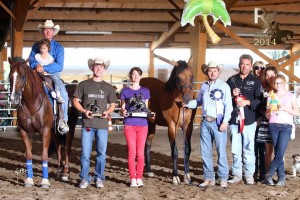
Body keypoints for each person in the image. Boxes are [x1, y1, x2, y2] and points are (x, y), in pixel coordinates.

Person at [184, 61, 233, 188]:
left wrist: (225, 121)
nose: (212, 73)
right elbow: (198, 101)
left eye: (215, 71)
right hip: (205, 122)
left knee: (221, 151)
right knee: (205, 152)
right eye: (210, 71)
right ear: (207, 72)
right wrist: (188, 104)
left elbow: (228, 106)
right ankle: (208, 177)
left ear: (218, 72)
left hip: (218, 122)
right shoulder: (204, 86)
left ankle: (223, 178)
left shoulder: (224, 86)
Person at [73, 57, 116, 189]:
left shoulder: (108, 87)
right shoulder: (83, 84)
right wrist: (84, 111)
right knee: (85, 153)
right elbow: (75, 101)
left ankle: (99, 177)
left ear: (104, 69)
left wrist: (107, 112)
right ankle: (84, 178)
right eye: (96, 66)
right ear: (92, 68)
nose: (98, 69)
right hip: (88, 124)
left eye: (101, 67)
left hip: (102, 125)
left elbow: (113, 105)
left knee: (101, 154)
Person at [227, 54, 263, 185]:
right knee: (235, 149)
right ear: (239, 65)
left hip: (249, 120)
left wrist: (247, 102)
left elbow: (260, 100)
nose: (244, 66)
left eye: (247, 64)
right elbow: (224, 100)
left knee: (248, 149)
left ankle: (249, 175)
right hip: (233, 120)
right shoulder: (231, 80)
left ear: (251, 66)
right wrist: (231, 95)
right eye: (242, 64)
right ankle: (237, 174)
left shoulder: (256, 81)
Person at [29, 20, 69, 133]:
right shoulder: (36, 46)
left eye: (50, 30)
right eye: (46, 30)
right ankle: (25, 116)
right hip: (37, 73)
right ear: (43, 31)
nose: (48, 32)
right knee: (24, 87)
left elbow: (59, 66)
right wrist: (36, 65)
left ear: (53, 32)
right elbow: (31, 59)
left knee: (64, 93)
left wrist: (44, 68)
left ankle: (63, 120)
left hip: (53, 74)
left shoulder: (59, 48)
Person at [120, 67, 154, 187]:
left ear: (140, 76)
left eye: (137, 74)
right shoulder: (125, 91)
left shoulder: (145, 91)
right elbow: (123, 109)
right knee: (131, 152)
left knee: (140, 152)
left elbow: (146, 107)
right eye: (133, 74)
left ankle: (139, 177)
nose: (135, 76)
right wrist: (122, 112)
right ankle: (132, 177)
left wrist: (151, 114)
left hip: (143, 125)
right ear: (130, 76)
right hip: (129, 124)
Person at [263, 75, 299, 186]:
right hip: (273, 125)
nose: (277, 85)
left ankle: (268, 175)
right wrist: (270, 112)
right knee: (278, 152)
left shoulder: (290, 96)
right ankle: (281, 178)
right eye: (275, 83)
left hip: (286, 126)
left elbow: (297, 112)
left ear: (284, 83)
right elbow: (267, 115)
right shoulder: (271, 96)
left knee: (280, 153)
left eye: (280, 83)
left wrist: (283, 108)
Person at [255, 66, 278, 181]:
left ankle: (280, 174)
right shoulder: (263, 89)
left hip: (279, 120)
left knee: (279, 151)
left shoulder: (280, 89)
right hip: (266, 121)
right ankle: (268, 175)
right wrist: (265, 111)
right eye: (267, 75)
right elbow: (259, 106)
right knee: (268, 151)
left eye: (272, 75)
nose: (269, 78)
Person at [34, 38, 64, 103]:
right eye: (41, 48)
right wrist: (37, 67)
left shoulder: (50, 57)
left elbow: (55, 66)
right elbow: (33, 61)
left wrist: (45, 69)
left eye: (44, 48)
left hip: (49, 73)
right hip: (39, 73)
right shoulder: (37, 56)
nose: (42, 50)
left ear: (48, 49)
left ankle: (57, 93)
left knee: (56, 80)